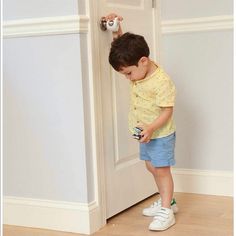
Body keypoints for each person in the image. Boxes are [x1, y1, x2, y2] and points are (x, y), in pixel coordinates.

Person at [105, 13, 178, 231]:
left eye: (128, 73)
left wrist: (151, 128)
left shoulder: (161, 81)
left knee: (162, 170)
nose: (128, 78)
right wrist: (117, 29)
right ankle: (169, 201)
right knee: (150, 166)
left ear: (143, 61)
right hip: (146, 133)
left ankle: (167, 211)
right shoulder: (137, 64)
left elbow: (167, 111)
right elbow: (124, 50)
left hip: (160, 133)